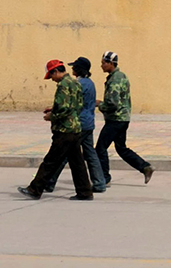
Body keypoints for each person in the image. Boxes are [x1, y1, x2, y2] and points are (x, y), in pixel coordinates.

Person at [17, 60, 93, 200]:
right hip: (75, 128)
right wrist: (54, 109)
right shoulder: (75, 83)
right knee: (77, 163)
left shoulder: (63, 85)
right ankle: (85, 192)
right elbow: (76, 105)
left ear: (56, 71)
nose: (52, 79)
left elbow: (63, 109)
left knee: (50, 161)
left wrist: (51, 116)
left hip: (64, 130)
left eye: (51, 75)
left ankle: (35, 189)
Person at [45, 57, 107, 193]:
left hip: (79, 122)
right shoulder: (90, 83)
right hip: (89, 122)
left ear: (79, 69)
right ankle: (99, 182)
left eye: (74, 67)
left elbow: (71, 104)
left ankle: (49, 182)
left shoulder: (78, 84)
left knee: (64, 154)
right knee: (90, 154)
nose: (72, 69)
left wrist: (54, 113)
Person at [96, 51, 154, 185]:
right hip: (123, 118)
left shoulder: (115, 80)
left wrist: (100, 104)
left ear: (111, 63)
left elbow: (113, 103)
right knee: (121, 148)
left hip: (116, 119)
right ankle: (145, 167)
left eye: (104, 63)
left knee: (100, 148)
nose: (101, 66)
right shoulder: (121, 76)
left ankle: (104, 178)